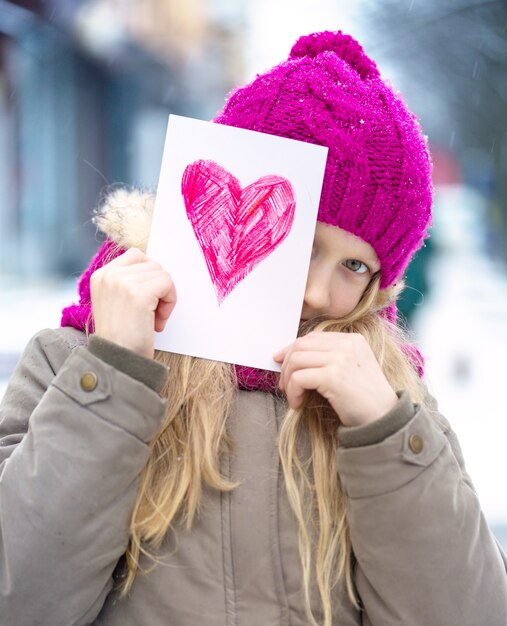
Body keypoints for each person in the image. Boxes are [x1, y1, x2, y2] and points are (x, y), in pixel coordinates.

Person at [0, 30, 506, 626]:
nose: (319, 293)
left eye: (355, 265)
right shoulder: (76, 360)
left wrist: (386, 435)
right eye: (307, 243)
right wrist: (111, 377)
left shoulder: (390, 400)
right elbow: (21, 599)